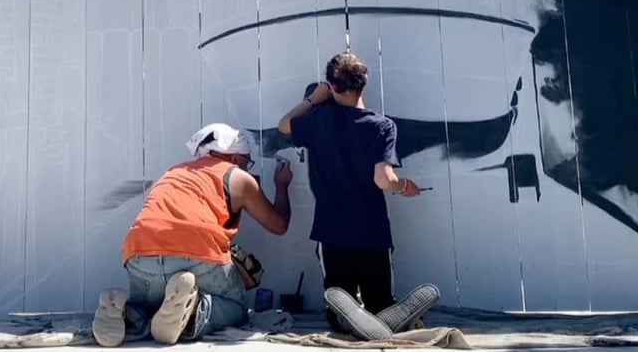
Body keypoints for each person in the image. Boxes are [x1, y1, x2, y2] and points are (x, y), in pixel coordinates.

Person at [92, 123, 293, 347]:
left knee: (152, 307)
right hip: (195, 253)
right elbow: (278, 225)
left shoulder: (174, 172)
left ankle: (126, 314)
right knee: (236, 307)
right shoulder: (237, 176)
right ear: (235, 158)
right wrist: (281, 186)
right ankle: (195, 313)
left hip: (139, 255)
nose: (247, 168)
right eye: (247, 162)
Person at [277, 51, 421, 332]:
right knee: (381, 303)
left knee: (338, 304)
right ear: (364, 83)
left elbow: (284, 125)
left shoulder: (319, 120)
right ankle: (384, 319)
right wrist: (404, 186)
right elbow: (383, 179)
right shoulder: (382, 126)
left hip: (332, 231)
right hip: (372, 231)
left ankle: (348, 320)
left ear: (331, 86)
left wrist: (313, 99)